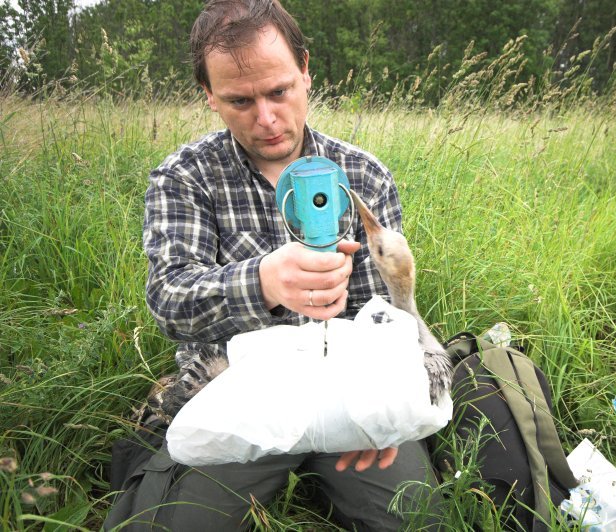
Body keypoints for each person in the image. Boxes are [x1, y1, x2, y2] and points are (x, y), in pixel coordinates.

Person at [103, 1, 438, 529]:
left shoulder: (364, 174)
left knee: (417, 520)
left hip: (350, 395)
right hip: (235, 395)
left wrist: (389, 412)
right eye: (239, 100)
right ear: (209, 97)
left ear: (305, 71)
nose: (266, 118)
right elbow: (170, 303)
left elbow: (387, 319)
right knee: (168, 525)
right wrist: (262, 282)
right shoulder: (186, 178)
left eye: (279, 91)